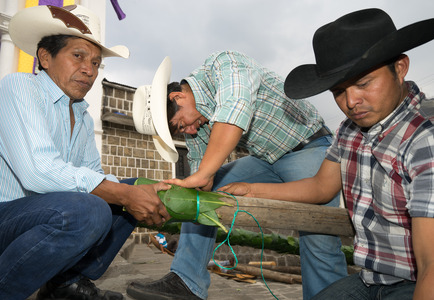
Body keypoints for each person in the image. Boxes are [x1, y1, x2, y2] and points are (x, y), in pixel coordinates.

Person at [219, 8, 434, 299]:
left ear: (400, 67)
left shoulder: (424, 140)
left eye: (363, 83)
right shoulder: (350, 130)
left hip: (414, 283)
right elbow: (321, 187)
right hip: (370, 280)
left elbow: (430, 265)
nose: (351, 101)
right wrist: (251, 189)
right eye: (338, 91)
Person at [0, 5, 171, 300]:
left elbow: (94, 177)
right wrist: (122, 195)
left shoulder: (82, 115)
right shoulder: (19, 88)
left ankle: (65, 283)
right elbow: (39, 171)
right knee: (93, 209)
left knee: (134, 189)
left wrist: (137, 194)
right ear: (45, 57)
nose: (89, 70)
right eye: (78, 56)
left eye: (96, 63)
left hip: (39, 218)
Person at [128, 50, 348, 300]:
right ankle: (186, 282)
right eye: (181, 132)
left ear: (178, 96)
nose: (189, 130)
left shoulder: (224, 65)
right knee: (197, 200)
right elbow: (204, 178)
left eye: (181, 124)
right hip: (264, 161)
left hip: (307, 147)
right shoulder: (197, 126)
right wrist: (187, 192)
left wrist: (202, 175)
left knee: (318, 236)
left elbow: (236, 105)